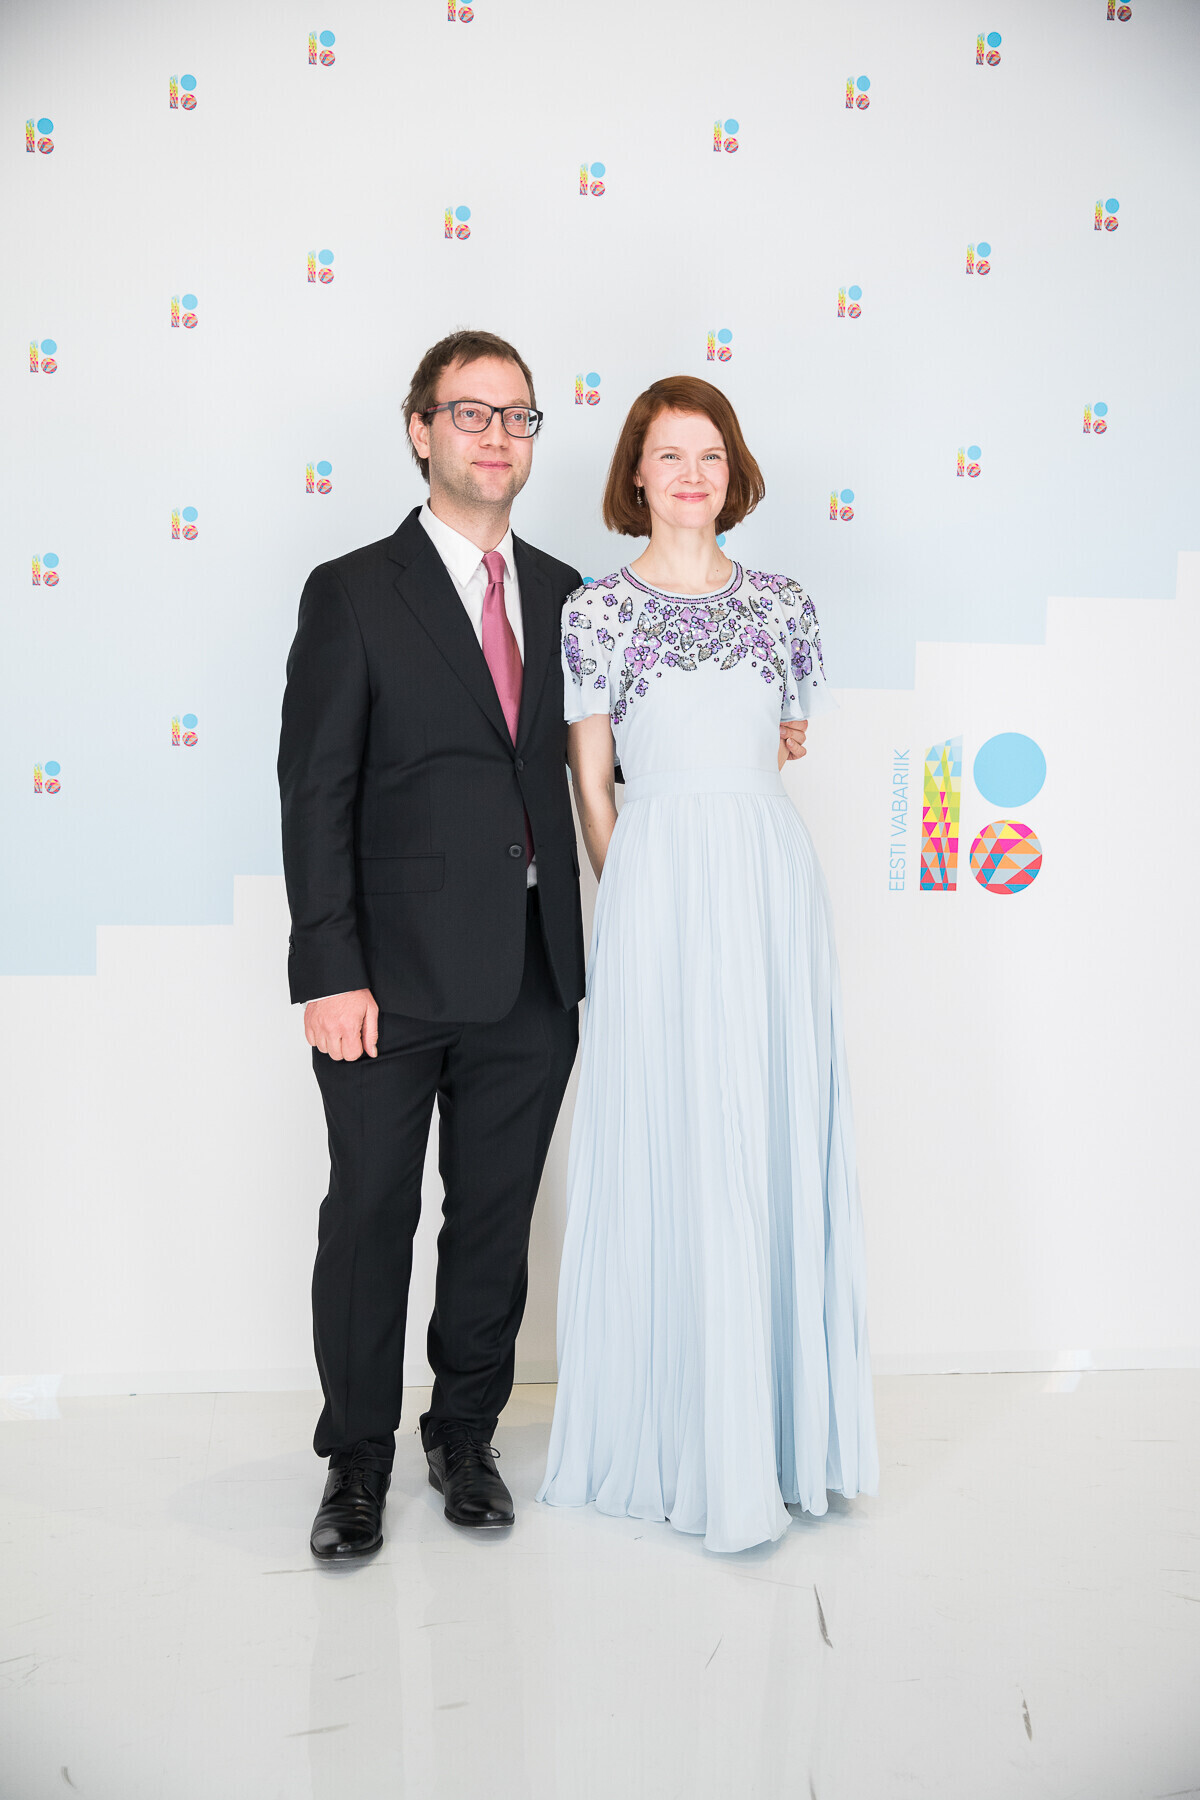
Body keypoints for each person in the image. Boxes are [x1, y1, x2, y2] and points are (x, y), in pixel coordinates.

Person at [537, 376, 879, 1553]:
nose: (691, 474)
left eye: (710, 454)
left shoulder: (786, 605)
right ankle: (679, 1432)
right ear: (634, 473)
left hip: (768, 883)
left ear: (734, 471)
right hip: (652, 885)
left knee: (766, 1121)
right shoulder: (594, 613)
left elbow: (779, 743)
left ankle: (775, 1440)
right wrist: (630, 893)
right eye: (669, 454)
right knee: (673, 1128)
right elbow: (592, 782)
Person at [278, 329, 585, 1560]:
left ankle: (464, 1434)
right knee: (369, 1216)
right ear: (421, 430)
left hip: (532, 970)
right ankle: (355, 1456)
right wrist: (329, 970)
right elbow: (315, 792)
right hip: (386, 981)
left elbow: (604, 756)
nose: (496, 436)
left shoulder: (567, 594)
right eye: (470, 413)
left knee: (495, 1219)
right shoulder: (353, 591)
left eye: (517, 416)